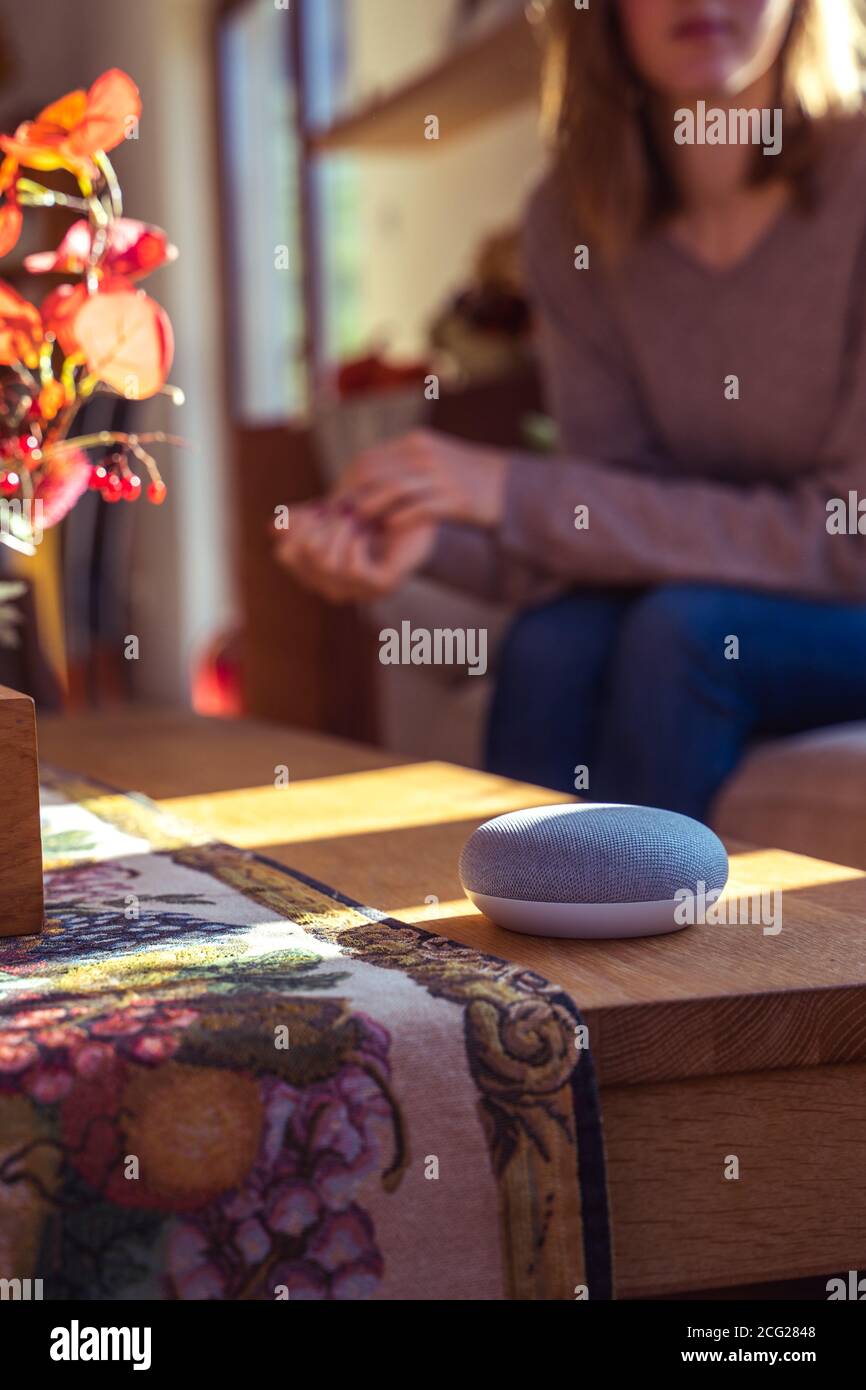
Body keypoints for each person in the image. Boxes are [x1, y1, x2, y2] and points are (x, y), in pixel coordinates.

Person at [277, 0, 866, 821]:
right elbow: (616, 530)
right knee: (555, 640)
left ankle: (646, 940)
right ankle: (506, 944)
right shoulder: (572, 221)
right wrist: (421, 535)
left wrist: (515, 493)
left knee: (681, 633)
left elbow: (847, 537)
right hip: (696, 606)